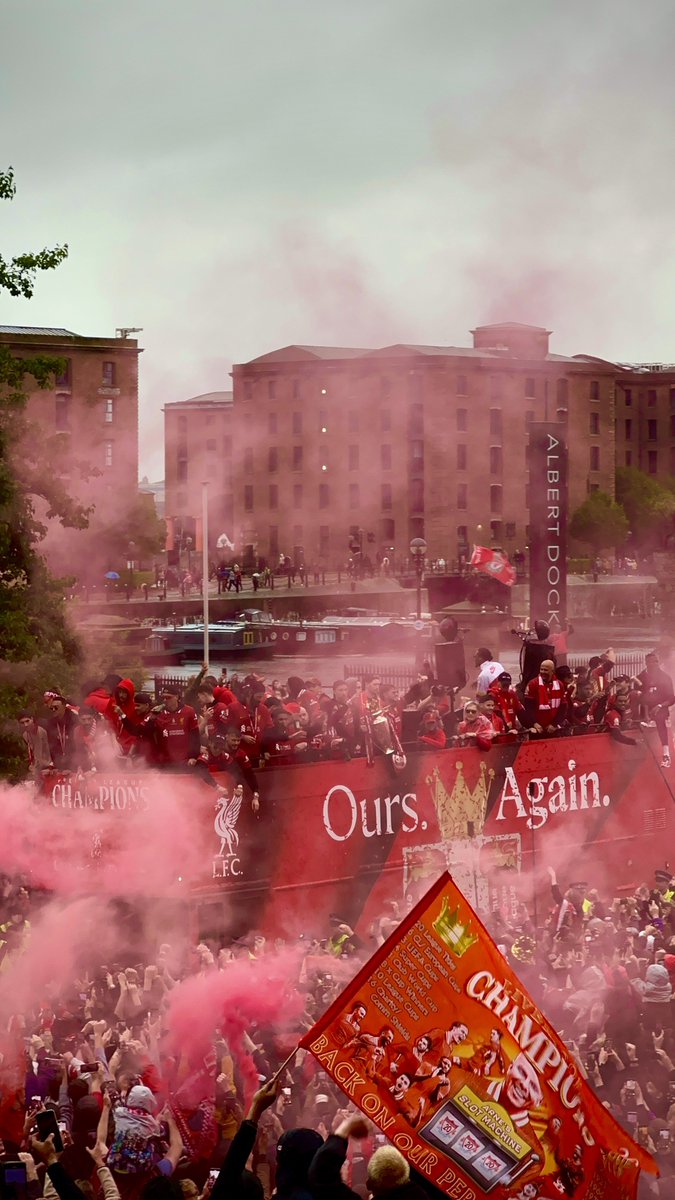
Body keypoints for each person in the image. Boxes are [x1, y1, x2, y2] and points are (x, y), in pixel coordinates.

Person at [635, 651, 674, 768]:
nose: (654, 664)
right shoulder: (640, 677)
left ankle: (666, 755)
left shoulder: (665, 678)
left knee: (660, 717)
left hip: (660, 709)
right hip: (645, 710)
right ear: (646, 663)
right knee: (635, 694)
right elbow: (637, 696)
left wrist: (661, 705)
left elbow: (672, 698)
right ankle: (638, 722)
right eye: (651, 662)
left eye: (656, 661)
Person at [524, 660, 564, 734]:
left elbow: (563, 707)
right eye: (541, 669)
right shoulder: (533, 684)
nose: (542, 672)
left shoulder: (560, 685)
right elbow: (528, 707)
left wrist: (554, 724)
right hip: (537, 728)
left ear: (552, 671)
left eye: (545, 670)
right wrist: (534, 723)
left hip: (553, 728)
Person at [18, 712, 53, 779]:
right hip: (37, 767)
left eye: (27, 721)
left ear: (32, 719)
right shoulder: (25, 735)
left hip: (48, 767)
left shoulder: (40, 731)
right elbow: (31, 753)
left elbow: (39, 753)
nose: (25, 725)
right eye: (22, 723)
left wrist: (36, 770)